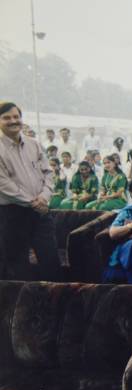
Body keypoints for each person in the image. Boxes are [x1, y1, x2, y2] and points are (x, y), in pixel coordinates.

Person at [0, 102, 61, 281]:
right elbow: (4, 185)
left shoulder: (34, 144)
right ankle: (23, 308)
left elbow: (48, 173)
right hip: (13, 215)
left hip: (41, 214)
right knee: (17, 266)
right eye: (6, 118)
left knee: (51, 262)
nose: (13, 121)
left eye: (16, 116)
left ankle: (54, 306)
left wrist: (44, 197)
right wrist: (34, 202)